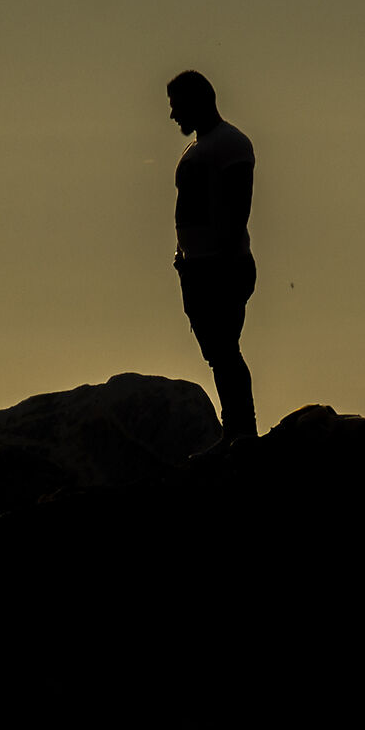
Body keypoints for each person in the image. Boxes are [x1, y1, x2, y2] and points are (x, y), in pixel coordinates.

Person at [167, 70, 258, 450]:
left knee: (225, 350)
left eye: (177, 106)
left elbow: (239, 206)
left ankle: (241, 429)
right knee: (218, 353)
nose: (173, 115)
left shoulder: (230, 143)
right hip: (197, 266)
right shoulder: (198, 147)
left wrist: (222, 259)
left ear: (197, 101)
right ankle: (234, 429)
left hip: (222, 266)